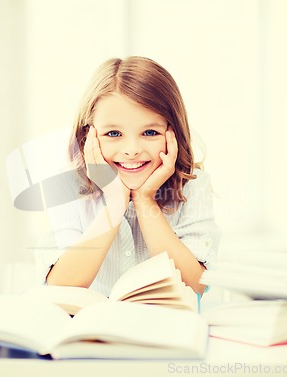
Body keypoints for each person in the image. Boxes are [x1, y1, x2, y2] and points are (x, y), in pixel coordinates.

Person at [44, 56, 221, 296]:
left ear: (173, 133)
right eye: (113, 133)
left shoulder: (192, 185)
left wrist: (144, 199)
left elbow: (194, 285)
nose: (131, 149)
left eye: (149, 132)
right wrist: (116, 201)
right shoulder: (68, 186)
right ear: (89, 137)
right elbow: (60, 286)